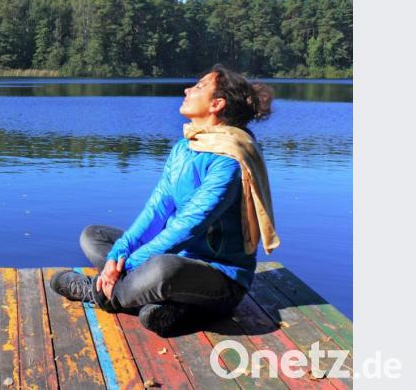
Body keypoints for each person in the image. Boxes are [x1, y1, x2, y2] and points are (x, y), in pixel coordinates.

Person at [50, 64, 280, 337]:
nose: (187, 89)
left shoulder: (230, 160)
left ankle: (97, 292)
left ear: (217, 104)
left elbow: (188, 227)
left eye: (198, 87)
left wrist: (123, 268)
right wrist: (118, 255)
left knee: (162, 268)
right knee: (93, 235)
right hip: (175, 256)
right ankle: (164, 306)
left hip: (219, 276)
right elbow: (156, 210)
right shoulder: (186, 147)